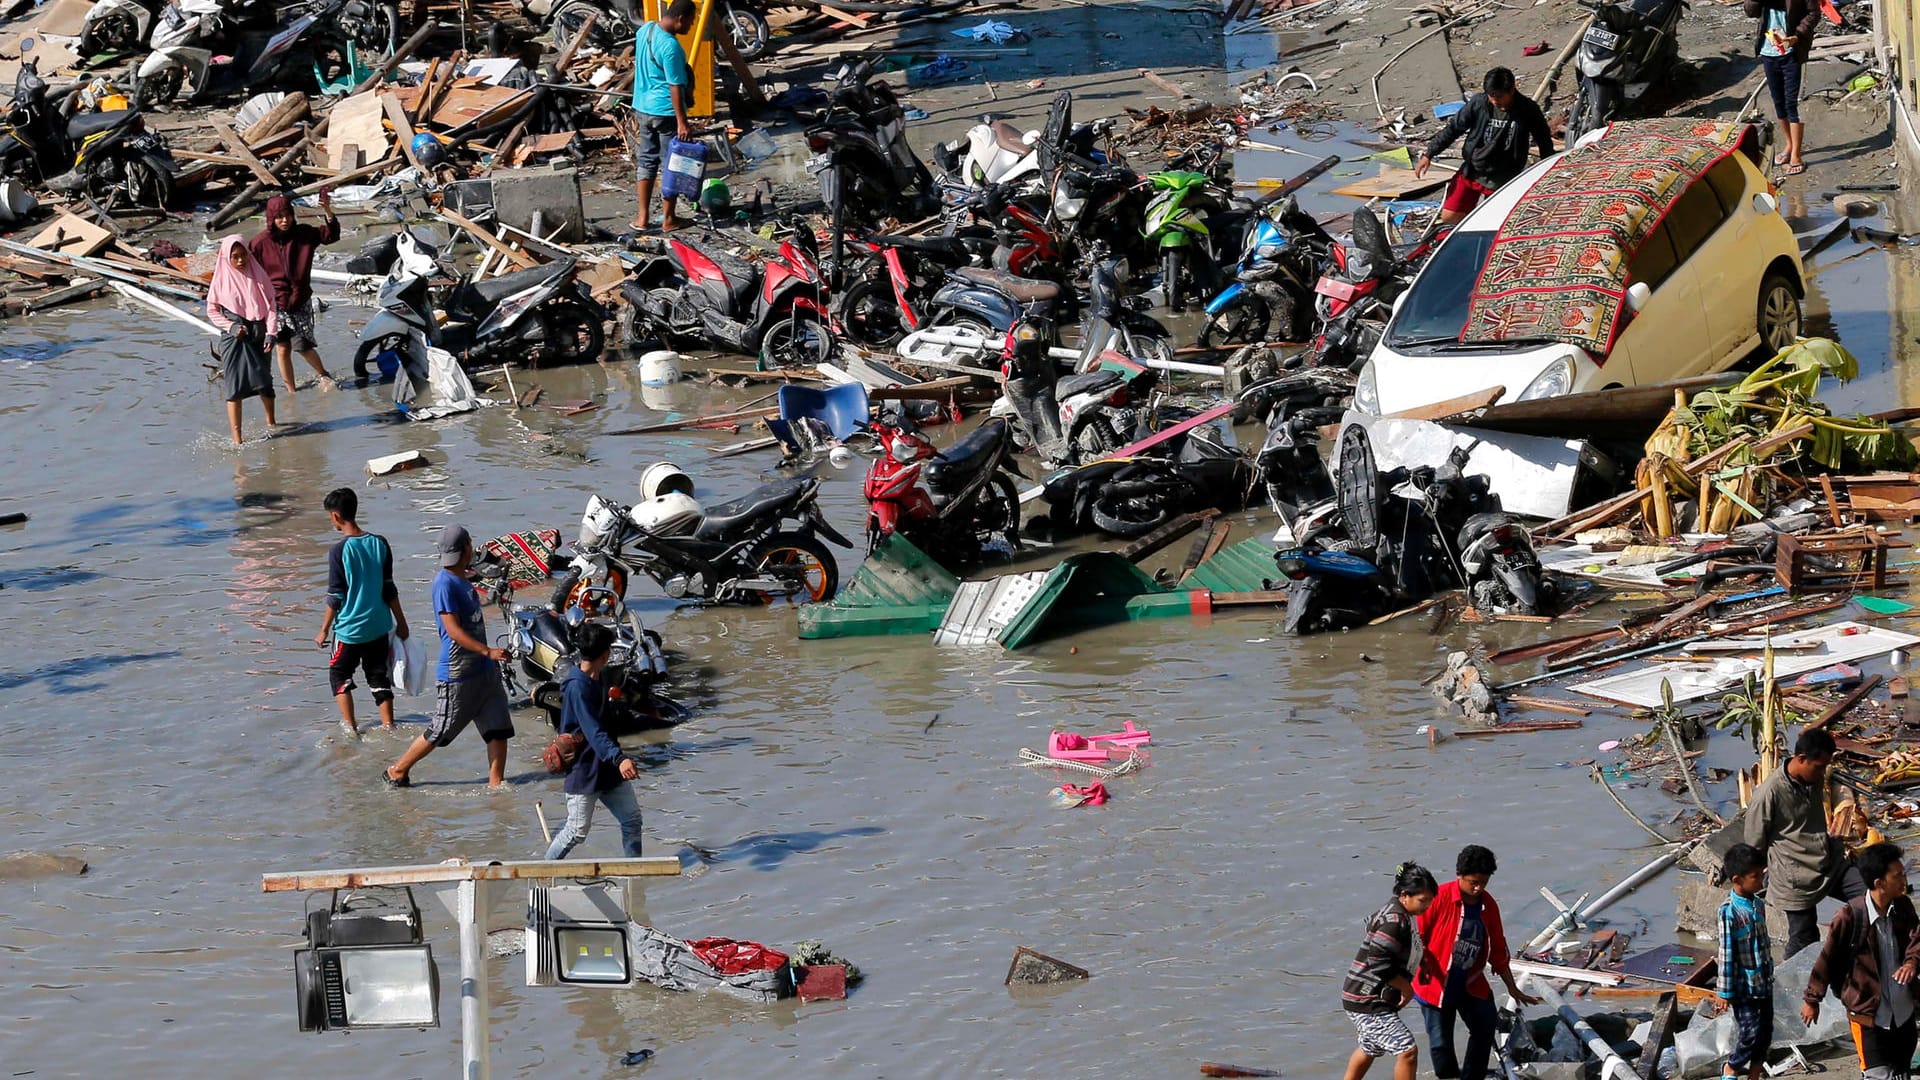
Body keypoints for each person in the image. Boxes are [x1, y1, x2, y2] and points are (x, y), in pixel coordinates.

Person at [385, 525, 514, 788]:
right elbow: (453, 630)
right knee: (441, 729)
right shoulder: (444, 583)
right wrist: (487, 651)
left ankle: (496, 787)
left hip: (484, 671)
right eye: (470, 544)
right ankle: (398, 770)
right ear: (466, 548)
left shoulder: (463, 578)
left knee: (498, 728)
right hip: (458, 673)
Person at [1413, 845, 1543, 1080]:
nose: (1478, 888)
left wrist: (1512, 988)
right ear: (1459, 875)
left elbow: (1498, 949)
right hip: (1435, 984)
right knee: (1440, 1044)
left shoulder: (1488, 905)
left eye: (1484, 882)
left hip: (1470, 981)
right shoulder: (1438, 898)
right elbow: (1415, 938)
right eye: (1473, 882)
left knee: (1484, 1027)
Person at [1802, 843, 1920, 1080]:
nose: (1903, 880)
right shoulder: (1850, 916)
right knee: (1877, 1075)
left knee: (1901, 1073)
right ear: (1879, 883)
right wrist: (1812, 1000)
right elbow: (1828, 958)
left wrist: (1911, 963)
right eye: (1897, 876)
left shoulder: (1903, 907)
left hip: (1904, 1013)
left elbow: (1917, 939)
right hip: (1867, 1017)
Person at [1744, 728, 1864, 958]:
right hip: (1795, 877)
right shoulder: (1768, 795)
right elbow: (1753, 845)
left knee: (1873, 896)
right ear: (1801, 759)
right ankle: (1789, 987)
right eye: (1819, 767)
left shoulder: (1813, 778)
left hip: (1828, 859)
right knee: (1804, 939)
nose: (1822, 774)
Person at [543, 623, 646, 860]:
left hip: (606, 768)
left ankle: (635, 875)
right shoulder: (578, 687)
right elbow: (594, 731)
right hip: (586, 769)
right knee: (576, 831)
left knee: (631, 820)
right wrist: (620, 759)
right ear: (605, 654)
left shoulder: (599, 677)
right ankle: (544, 874)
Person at [315, 488, 409, 736]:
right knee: (378, 676)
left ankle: (352, 730)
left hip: (350, 629)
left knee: (339, 675)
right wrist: (401, 622)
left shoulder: (339, 551)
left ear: (335, 516)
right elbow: (389, 588)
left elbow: (336, 596)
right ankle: (389, 727)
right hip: (379, 625)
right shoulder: (380, 543)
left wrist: (323, 629)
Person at [1414, 68, 1555, 225]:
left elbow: (1544, 142)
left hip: (1503, 178)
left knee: (1496, 223)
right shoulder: (1479, 103)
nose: (1495, 101)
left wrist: (1548, 173)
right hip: (1473, 170)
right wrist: (1429, 154)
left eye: (1500, 96)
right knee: (1450, 217)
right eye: (1491, 96)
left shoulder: (1528, 110)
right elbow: (1454, 128)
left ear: (1512, 89)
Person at [1342, 862, 1440, 1080]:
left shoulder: (1398, 912)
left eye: (1429, 901)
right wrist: (1407, 989)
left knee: (1370, 1047)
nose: (1426, 907)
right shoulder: (1395, 920)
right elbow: (1378, 961)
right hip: (1367, 999)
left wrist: (1420, 964)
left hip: (1358, 994)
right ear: (1405, 895)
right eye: (1422, 901)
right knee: (1407, 1050)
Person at [249, 192, 339, 392]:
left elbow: (331, 235)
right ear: (271, 218)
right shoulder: (259, 243)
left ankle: (324, 375)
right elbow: (249, 273)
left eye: (288, 215)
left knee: (304, 346)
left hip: (300, 301)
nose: (284, 221)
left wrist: (327, 210)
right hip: (275, 303)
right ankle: (291, 391)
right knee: (282, 348)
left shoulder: (305, 234)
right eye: (279, 217)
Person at [206, 236, 279, 446]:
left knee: (265, 381)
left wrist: (271, 332)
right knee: (234, 388)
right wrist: (231, 326)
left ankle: (272, 423)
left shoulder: (258, 274)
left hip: (259, 333)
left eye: (243, 255)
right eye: (235, 257)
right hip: (235, 337)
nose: (240, 261)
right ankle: (237, 440)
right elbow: (212, 310)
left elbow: (272, 304)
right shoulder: (220, 280)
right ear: (226, 258)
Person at [630, 0, 695, 232]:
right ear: (680, 19)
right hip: (665, 112)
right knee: (671, 165)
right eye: (690, 21)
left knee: (646, 161)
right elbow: (675, 86)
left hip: (642, 107)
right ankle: (669, 219)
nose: (691, 26)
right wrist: (682, 122)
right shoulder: (671, 48)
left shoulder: (644, 30)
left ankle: (642, 218)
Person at [1716, 843, 1775, 1080]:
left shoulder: (1758, 905)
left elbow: (1763, 944)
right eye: (1755, 876)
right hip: (1744, 987)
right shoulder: (1729, 912)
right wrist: (1724, 992)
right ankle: (1731, 1067)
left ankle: (1754, 1075)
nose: (1761, 880)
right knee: (1749, 1033)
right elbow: (1726, 954)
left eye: (1762, 874)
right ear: (1737, 879)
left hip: (1764, 982)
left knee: (1765, 1034)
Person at [1745, 0, 1818, 175]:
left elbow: (1814, 13)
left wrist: (1798, 35)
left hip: (1791, 52)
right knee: (1778, 102)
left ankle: (1796, 154)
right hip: (1768, 52)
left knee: (1791, 103)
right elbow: (1750, 12)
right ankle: (1789, 144)